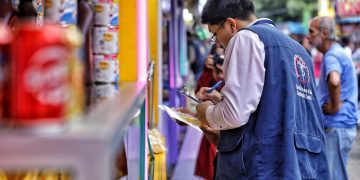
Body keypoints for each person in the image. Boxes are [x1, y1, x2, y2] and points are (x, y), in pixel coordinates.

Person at [194, 0, 330, 179]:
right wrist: (222, 101)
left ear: (231, 24)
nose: (217, 43)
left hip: (262, 165)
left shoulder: (245, 37)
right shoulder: (299, 50)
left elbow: (234, 114)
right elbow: (272, 107)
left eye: (214, 34)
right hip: (299, 164)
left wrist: (206, 112)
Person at [308, 16, 358, 180]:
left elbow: (334, 81)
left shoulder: (331, 56)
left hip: (337, 125)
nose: (309, 36)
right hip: (342, 126)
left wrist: (335, 106)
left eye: (312, 32)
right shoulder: (337, 52)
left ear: (323, 33)